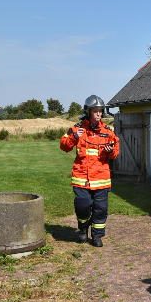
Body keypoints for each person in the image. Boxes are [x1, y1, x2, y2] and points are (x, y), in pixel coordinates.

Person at [60, 95, 120, 247]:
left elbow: (115, 152)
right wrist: (74, 137)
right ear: (88, 112)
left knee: (100, 209)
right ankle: (82, 230)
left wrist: (110, 150)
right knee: (83, 205)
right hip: (81, 178)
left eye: (100, 111)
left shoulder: (108, 132)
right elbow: (64, 146)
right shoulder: (77, 129)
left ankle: (97, 236)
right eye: (95, 111)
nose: (99, 114)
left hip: (101, 179)